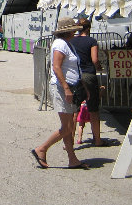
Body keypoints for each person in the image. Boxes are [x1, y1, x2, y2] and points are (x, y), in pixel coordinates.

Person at [31, 17, 89, 169]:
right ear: (68, 31)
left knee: (68, 126)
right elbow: (56, 67)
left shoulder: (67, 44)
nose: (76, 32)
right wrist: (66, 88)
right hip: (62, 88)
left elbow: (73, 68)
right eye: (74, 30)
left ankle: (72, 158)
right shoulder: (60, 44)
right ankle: (42, 148)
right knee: (67, 127)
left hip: (69, 87)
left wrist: (83, 87)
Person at [70, 19, 108, 146]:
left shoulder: (72, 41)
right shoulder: (91, 41)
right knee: (93, 109)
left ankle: (69, 141)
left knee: (74, 110)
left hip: (76, 75)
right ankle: (97, 140)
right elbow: (95, 59)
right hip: (88, 75)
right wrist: (99, 67)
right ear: (88, 28)